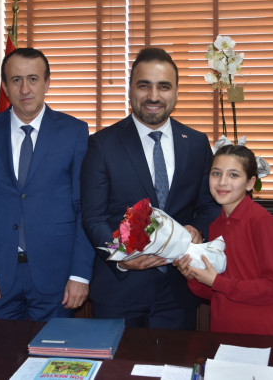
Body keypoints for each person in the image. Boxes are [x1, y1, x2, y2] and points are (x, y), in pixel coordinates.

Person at [81, 47, 221, 330]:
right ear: (130, 89)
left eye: (164, 86)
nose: (154, 96)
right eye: (144, 85)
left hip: (179, 291)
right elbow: (93, 218)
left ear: (176, 91)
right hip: (119, 290)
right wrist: (121, 257)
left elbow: (209, 206)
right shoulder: (102, 145)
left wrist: (197, 229)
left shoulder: (196, 143)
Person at [0, 47, 94, 321]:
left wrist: (80, 274)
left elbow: (84, 208)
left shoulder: (74, 132)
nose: (25, 89)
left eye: (33, 79)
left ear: (47, 83)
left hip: (57, 277)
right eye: (16, 80)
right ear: (5, 86)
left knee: (51, 350)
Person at [173, 144, 273, 336]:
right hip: (223, 330)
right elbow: (216, 292)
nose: (222, 182)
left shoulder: (261, 222)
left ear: (250, 183)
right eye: (216, 173)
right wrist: (193, 276)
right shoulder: (215, 226)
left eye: (233, 175)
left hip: (261, 333)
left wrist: (217, 282)